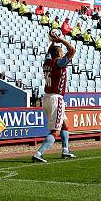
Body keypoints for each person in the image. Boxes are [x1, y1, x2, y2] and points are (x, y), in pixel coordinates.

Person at [32, 34, 77, 163]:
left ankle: (65, 151)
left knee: (65, 124)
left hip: (46, 97)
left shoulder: (47, 62)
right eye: (61, 51)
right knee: (55, 131)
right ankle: (38, 153)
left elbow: (48, 53)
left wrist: (52, 43)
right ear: (58, 53)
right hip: (55, 98)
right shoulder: (58, 62)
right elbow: (72, 50)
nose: (63, 53)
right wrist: (60, 40)